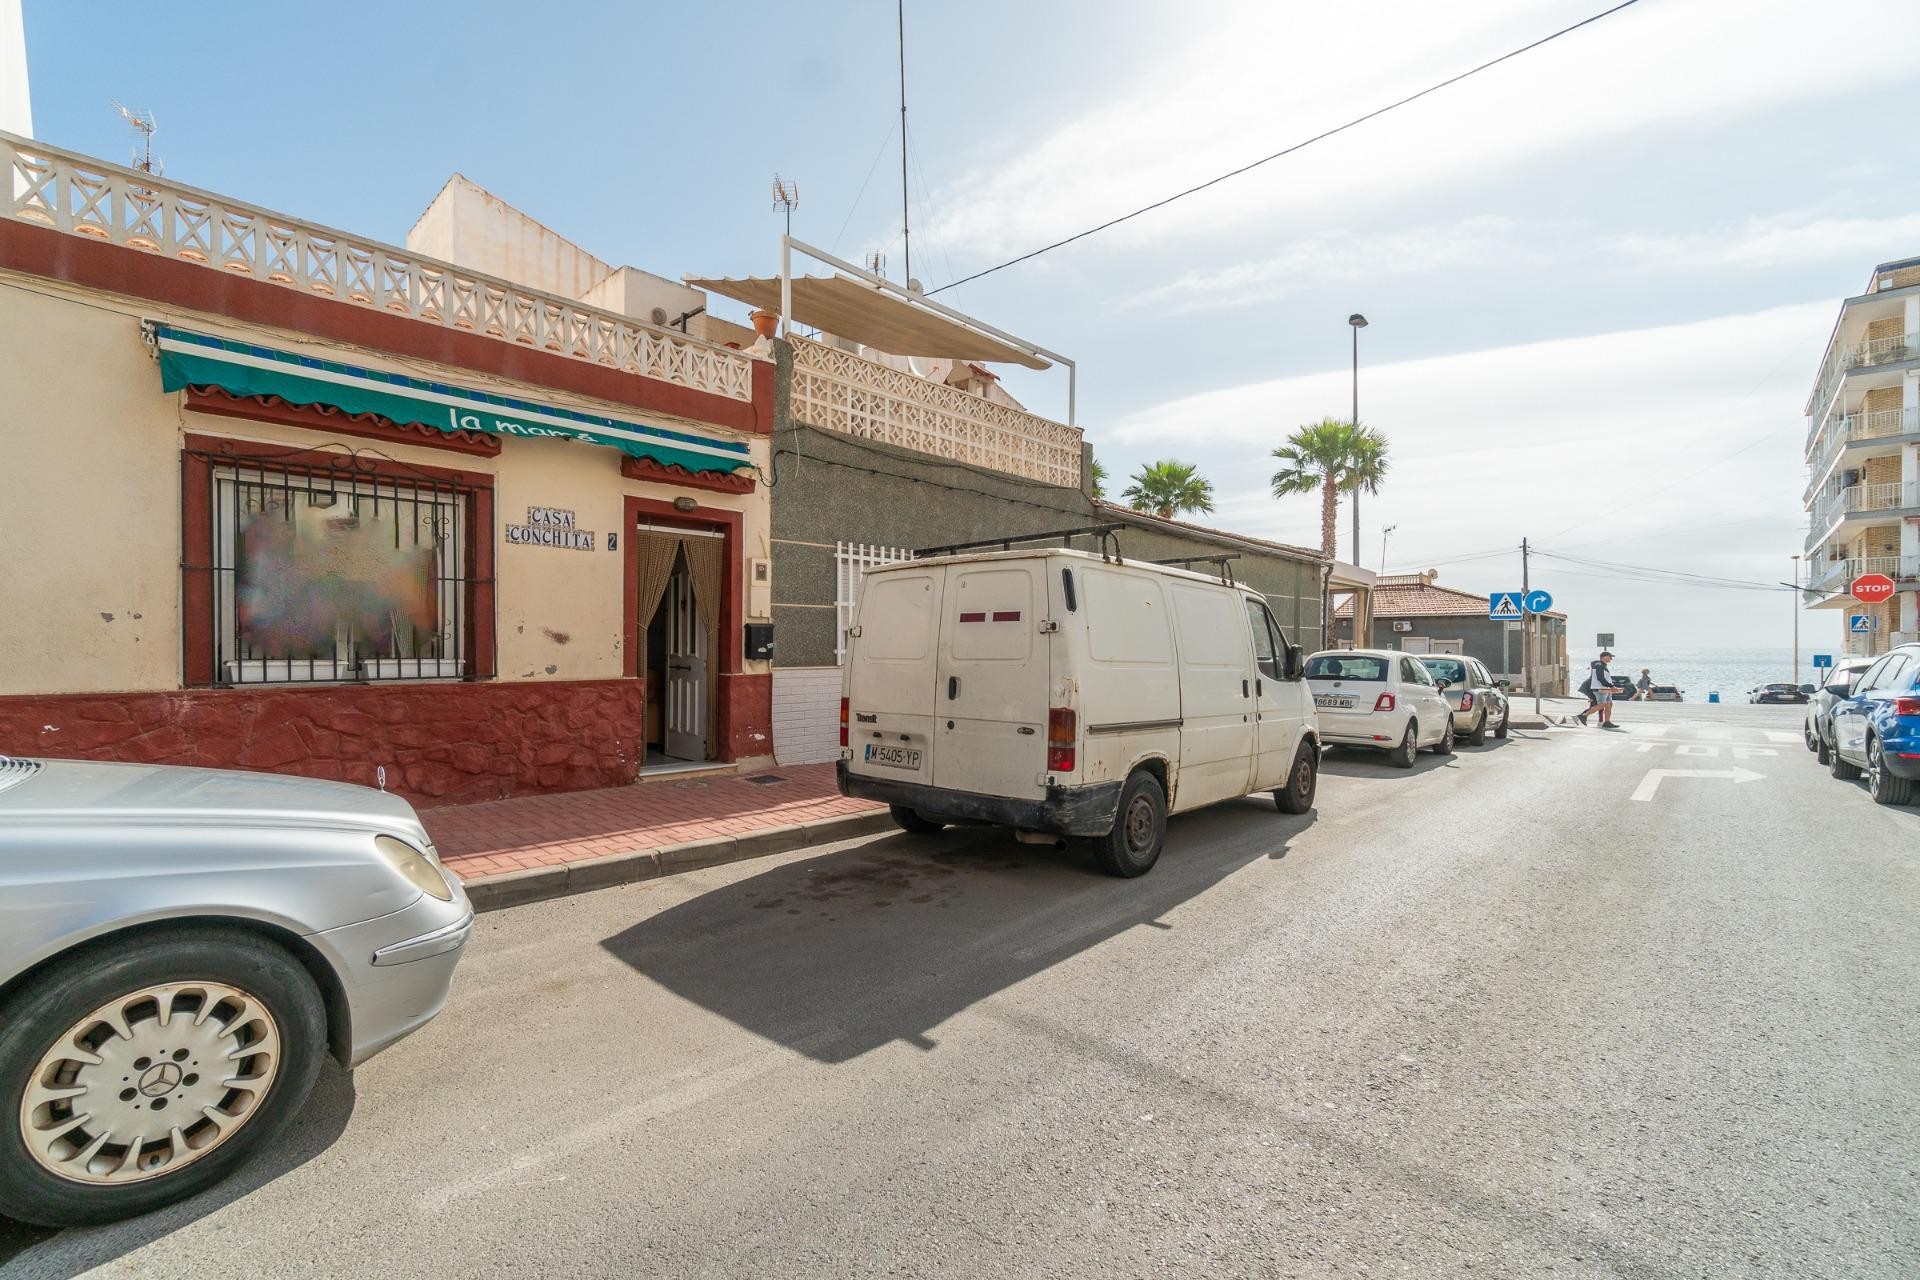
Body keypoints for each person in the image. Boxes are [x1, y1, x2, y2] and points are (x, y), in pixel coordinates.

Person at [1575, 650, 1620, 728]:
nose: (1611, 659)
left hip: (1606, 689)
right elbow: (1600, 678)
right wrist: (1611, 686)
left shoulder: (1603, 665)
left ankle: (1607, 722)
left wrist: (1611, 686)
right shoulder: (1599, 665)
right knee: (1602, 704)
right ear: (1604, 657)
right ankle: (1584, 716)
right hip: (1600, 688)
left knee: (1609, 704)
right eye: (1610, 657)